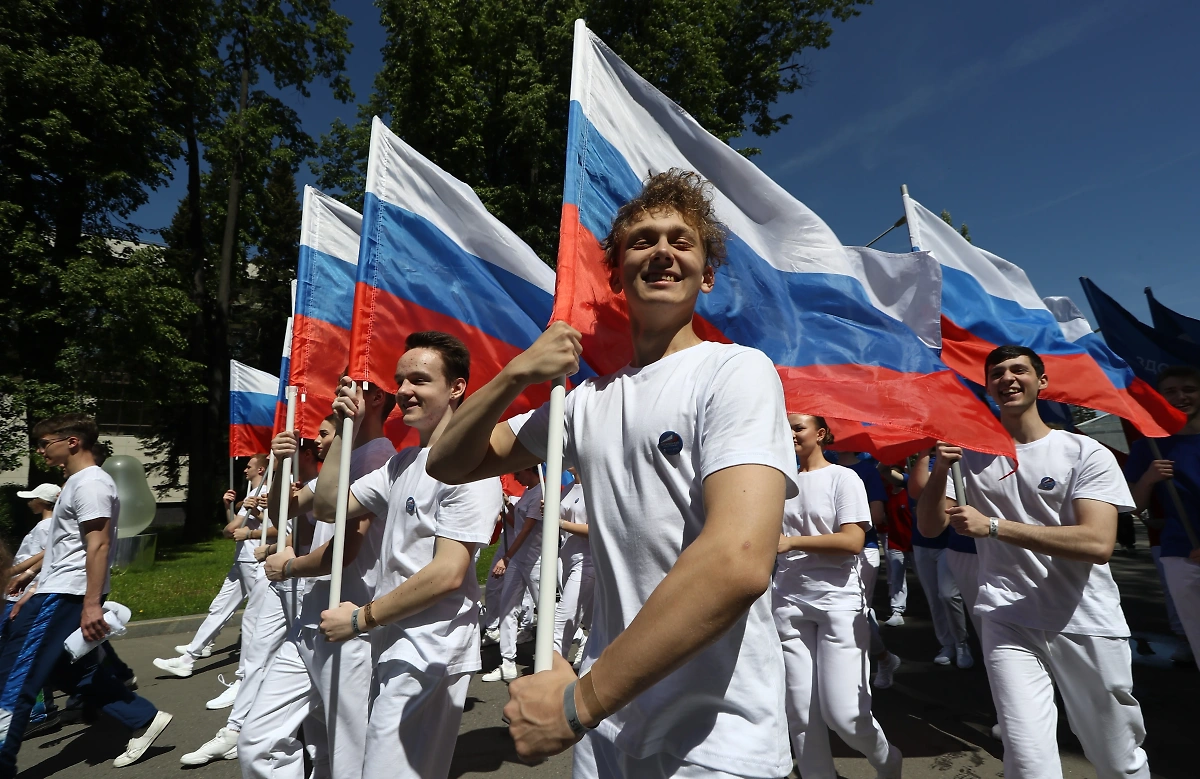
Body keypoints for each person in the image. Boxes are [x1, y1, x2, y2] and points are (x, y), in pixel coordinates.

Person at [427, 169, 797, 778]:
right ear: (619, 270)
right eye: (643, 240)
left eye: (682, 241)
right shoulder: (586, 402)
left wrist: (578, 704)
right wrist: (516, 373)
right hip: (610, 731)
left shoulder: (736, 372)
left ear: (706, 274)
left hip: (715, 740)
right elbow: (449, 461)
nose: (662, 251)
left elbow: (739, 558)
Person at [916, 345, 1150, 779]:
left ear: (1041, 383)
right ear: (987, 387)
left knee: (1117, 759)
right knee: (1026, 761)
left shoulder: (1085, 452)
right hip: (1006, 617)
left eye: (1019, 370)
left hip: (1084, 620)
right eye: (997, 372)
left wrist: (994, 527)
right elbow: (930, 528)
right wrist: (938, 470)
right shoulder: (967, 455)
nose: (1007, 377)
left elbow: (1098, 542)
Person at [312, 332, 501, 779]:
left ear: (456, 388)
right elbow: (328, 503)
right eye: (400, 380)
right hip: (393, 642)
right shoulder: (402, 464)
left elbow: (448, 573)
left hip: (431, 650)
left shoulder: (473, 469)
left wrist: (360, 619)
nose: (403, 390)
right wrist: (345, 430)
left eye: (420, 379)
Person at [0, 414, 172, 774]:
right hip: (54, 592)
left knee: (16, 677)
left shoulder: (90, 483)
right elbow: (67, 549)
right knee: (66, 673)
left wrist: (91, 604)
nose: (40, 450)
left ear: (72, 442)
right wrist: (34, 587)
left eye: (45, 443)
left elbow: (98, 544)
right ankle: (142, 716)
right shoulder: (79, 483)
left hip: (65, 596)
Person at [776, 415, 902, 778]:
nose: (790, 434)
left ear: (820, 434)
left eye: (797, 427)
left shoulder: (844, 478)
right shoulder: (777, 483)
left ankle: (886, 759)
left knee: (845, 715)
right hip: (786, 602)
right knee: (800, 713)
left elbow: (852, 541)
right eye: (783, 428)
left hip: (838, 604)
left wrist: (792, 542)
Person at [152, 453, 272, 690]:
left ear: (261, 470)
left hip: (255, 561)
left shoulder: (267, 495)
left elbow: (275, 527)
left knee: (254, 620)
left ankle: (247, 678)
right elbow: (230, 530)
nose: (244, 470)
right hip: (241, 560)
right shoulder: (251, 494)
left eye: (249, 466)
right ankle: (189, 659)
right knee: (219, 608)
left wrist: (251, 517)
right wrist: (230, 507)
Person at [1126, 365, 1200, 662]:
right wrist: (1148, 479)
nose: (1180, 397)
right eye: (1170, 392)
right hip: (1181, 552)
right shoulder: (1150, 447)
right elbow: (1132, 504)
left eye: (1189, 389)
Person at [830, 451, 902, 688]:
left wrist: (840, 519)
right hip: (824, 550)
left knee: (854, 613)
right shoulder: (813, 470)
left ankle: (867, 669)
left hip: (861, 549)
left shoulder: (867, 471)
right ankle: (882, 658)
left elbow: (877, 515)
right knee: (832, 614)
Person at [907, 450, 973, 668]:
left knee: (948, 595)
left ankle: (962, 643)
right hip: (922, 543)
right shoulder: (925, 460)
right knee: (934, 599)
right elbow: (916, 490)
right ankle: (947, 643)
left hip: (950, 543)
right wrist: (923, 452)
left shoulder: (958, 461)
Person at [482, 466, 545, 682]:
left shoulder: (541, 493)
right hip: (519, 559)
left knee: (547, 612)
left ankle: (576, 639)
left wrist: (506, 557)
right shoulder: (529, 490)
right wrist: (508, 505)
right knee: (507, 606)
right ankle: (507, 662)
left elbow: (526, 530)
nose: (515, 477)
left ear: (531, 471)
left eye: (518, 473)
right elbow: (517, 525)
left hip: (536, 561)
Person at [554, 469, 594, 666]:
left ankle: (550, 674)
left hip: (587, 562)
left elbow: (595, 529)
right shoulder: (568, 488)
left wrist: (560, 522)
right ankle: (596, 662)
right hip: (566, 560)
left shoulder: (594, 486)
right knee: (594, 621)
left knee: (561, 621)